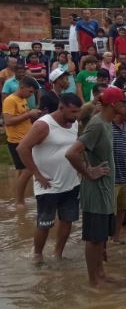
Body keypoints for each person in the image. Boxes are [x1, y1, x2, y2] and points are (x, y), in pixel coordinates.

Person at [65, 87, 126, 286]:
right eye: (123, 102)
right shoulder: (97, 124)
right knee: (93, 238)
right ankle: (93, 280)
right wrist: (89, 172)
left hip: (106, 189)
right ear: (114, 104)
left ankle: (101, 274)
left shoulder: (106, 123)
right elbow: (72, 153)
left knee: (101, 238)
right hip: (96, 191)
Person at [17, 93, 82, 262]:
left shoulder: (74, 124)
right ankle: (37, 255)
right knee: (44, 223)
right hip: (48, 185)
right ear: (61, 108)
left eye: (78, 112)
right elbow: (22, 148)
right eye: (73, 112)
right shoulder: (44, 125)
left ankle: (58, 254)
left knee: (67, 221)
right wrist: (37, 174)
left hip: (71, 183)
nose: (76, 116)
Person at [3, 77, 40, 206]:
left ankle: (20, 200)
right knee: (27, 170)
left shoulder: (22, 99)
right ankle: (19, 202)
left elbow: (22, 117)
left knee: (22, 171)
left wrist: (32, 115)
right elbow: (8, 121)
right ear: (22, 87)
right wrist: (29, 115)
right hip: (16, 141)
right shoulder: (10, 100)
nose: (31, 95)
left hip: (25, 139)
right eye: (29, 92)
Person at [111, 92, 126, 244]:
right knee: (108, 212)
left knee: (121, 209)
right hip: (111, 178)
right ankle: (104, 240)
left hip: (125, 176)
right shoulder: (106, 125)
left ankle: (116, 238)